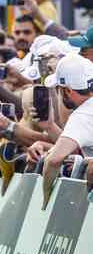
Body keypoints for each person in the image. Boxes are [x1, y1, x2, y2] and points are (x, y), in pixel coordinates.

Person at [42, 54, 93, 210]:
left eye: (58, 90)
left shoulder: (82, 115)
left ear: (67, 91)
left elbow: (53, 160)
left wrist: (45, 196)